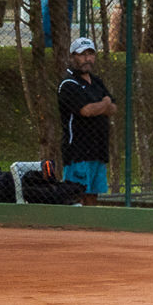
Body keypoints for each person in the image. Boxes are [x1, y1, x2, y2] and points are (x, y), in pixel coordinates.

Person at [57, 36, 116, 196]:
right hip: (78, 153)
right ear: (72, 57)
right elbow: (86, 111)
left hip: (98, 151)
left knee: (93, 197)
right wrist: (105, 103)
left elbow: (113, 108)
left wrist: (101, 106)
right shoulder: (68, 84)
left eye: (90, 54)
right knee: (76, 196)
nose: (87, 59)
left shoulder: (97, 82)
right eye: (82, 54)